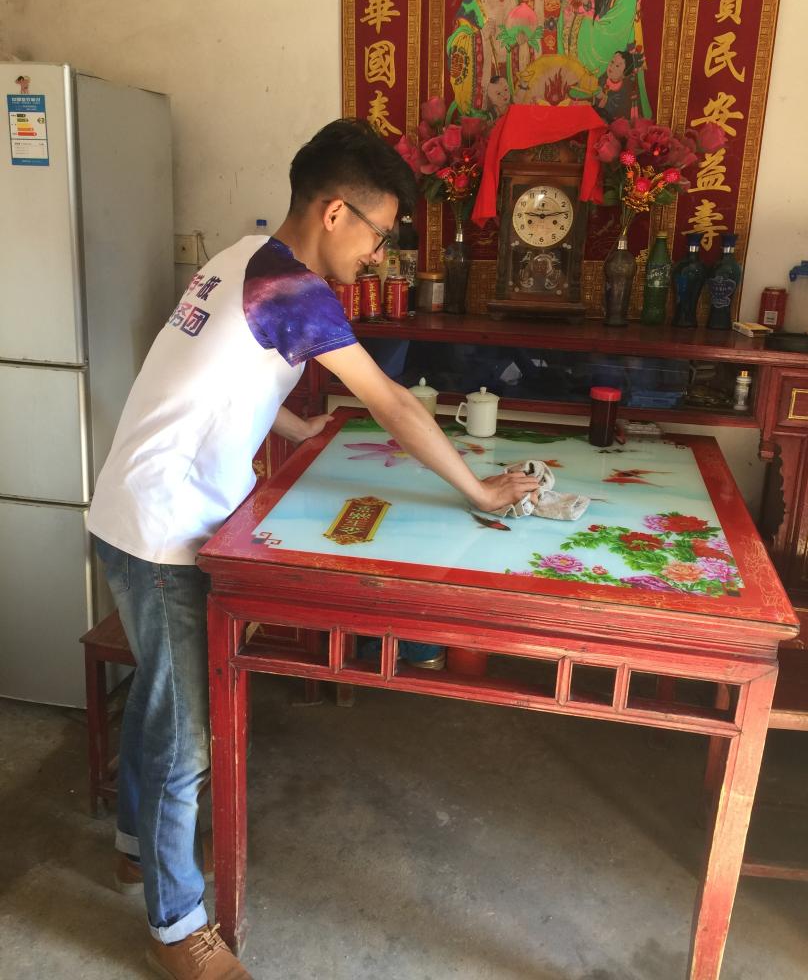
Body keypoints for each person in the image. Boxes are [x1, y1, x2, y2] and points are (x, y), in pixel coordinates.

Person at [87, 118, 539, 979]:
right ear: (335, 213)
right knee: (187, 735)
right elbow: (393, 403)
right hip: (163, 531)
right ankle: (177, 928)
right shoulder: (293, 288)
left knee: (158, 700)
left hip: (130, 510)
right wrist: (479, 490)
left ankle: (135, 853)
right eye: (379, 233)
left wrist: (299, 427)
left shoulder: (242, 257)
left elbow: (217, 380)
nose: (379, 254)